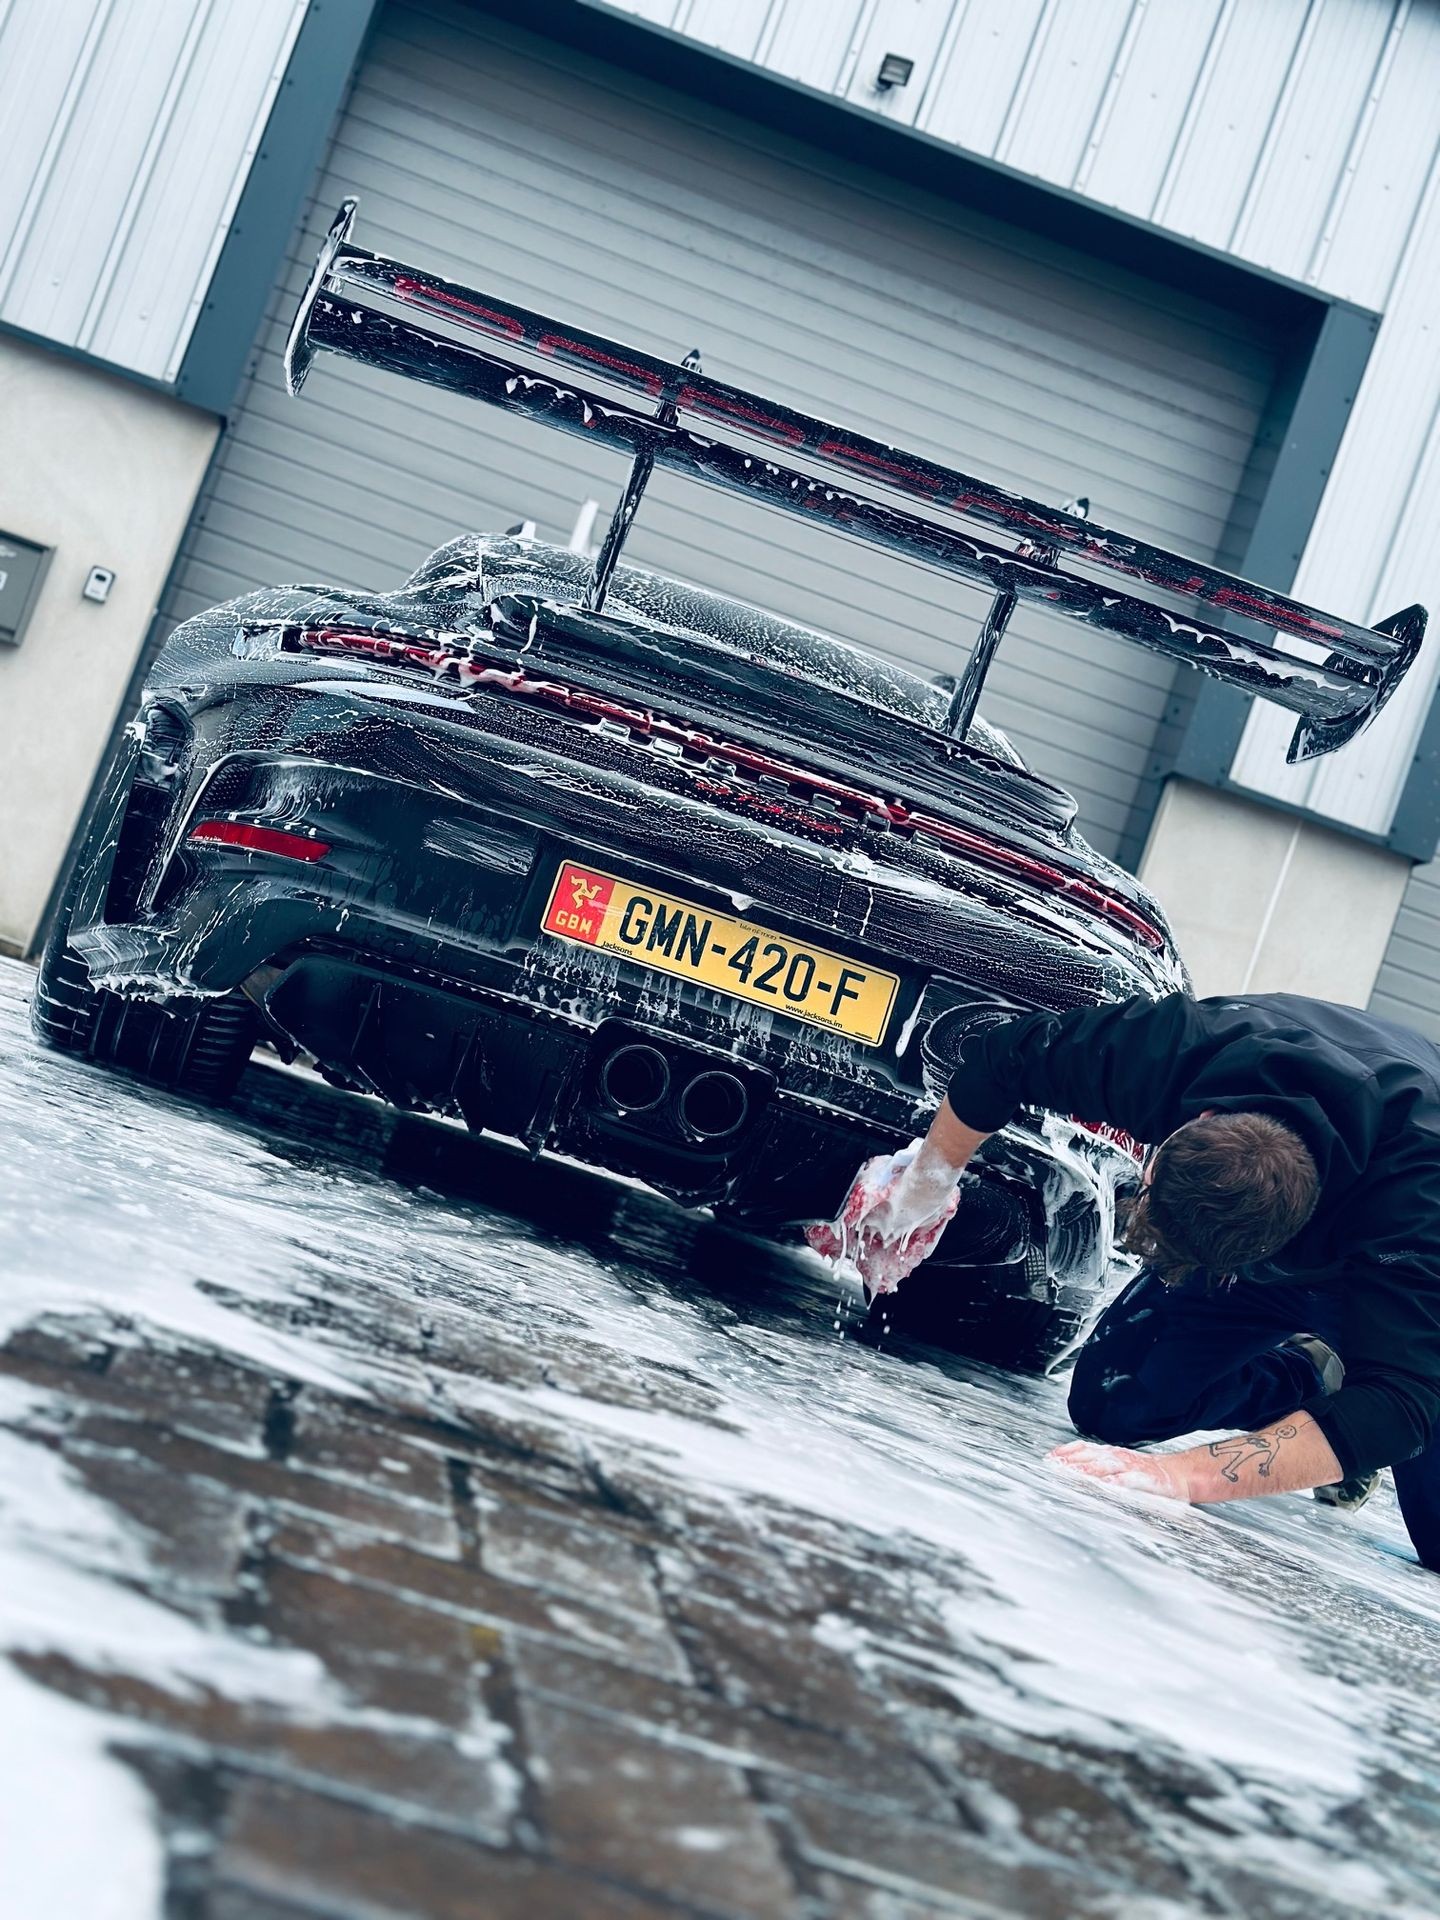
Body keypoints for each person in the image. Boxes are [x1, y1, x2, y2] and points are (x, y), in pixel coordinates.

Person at [821, 992, 1440, 1569]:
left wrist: (1183, 1477)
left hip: (1407, 1274)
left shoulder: (1416, 1200)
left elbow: (1404, 1405)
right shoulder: (1172, 1052)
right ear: (1186, 1125)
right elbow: (1002, 1057)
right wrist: (923, 1188)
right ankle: (1311, 1381)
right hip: (1267, 1233)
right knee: (1115, 1404)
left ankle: (1343, 1414)